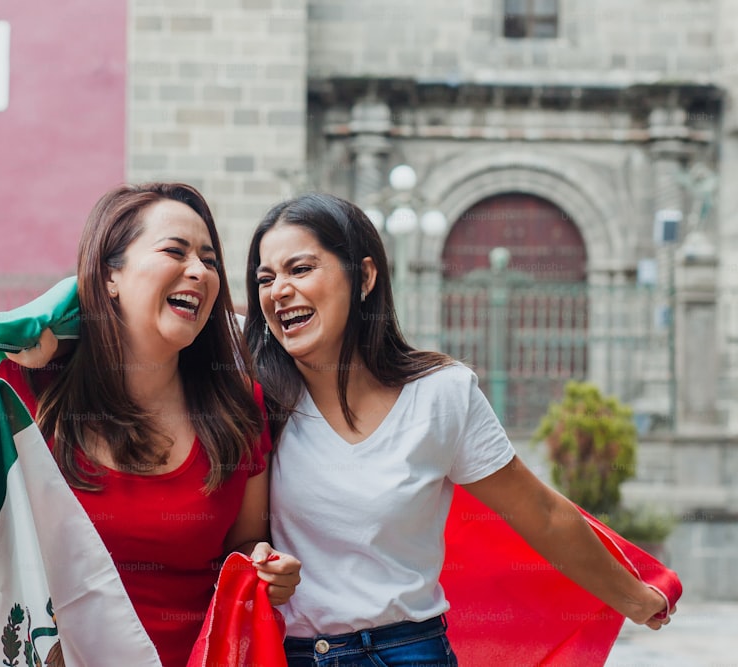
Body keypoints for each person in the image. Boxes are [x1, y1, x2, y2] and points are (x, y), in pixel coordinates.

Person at [242, 192, 675, 666]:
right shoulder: (256, 397)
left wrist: (633, 598)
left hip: (409, 653)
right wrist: (260, 563)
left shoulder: (441, 395)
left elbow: (540, 512)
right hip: (289, 655)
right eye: (266, 278)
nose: (278, 290)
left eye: (300, 269)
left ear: (364, 276)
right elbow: (239, 541)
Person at [0, 182, 301, 667]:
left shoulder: (239, 405)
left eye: (210, 260)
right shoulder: (25, 393)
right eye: (175, 251)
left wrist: (265, 568)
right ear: (110, 274)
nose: (198, 271)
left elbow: (244, 544)